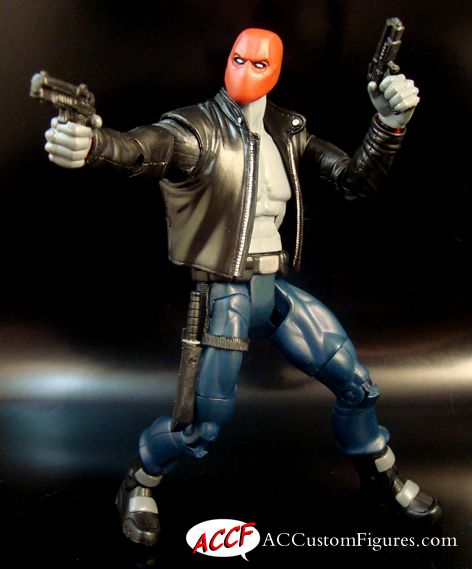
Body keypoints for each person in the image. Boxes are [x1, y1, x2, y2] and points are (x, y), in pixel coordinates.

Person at [43, 28, 441, 546]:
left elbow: (353, 180)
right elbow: (142, 149)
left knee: (357, 385)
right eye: (237, 58)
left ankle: (379, 478)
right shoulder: (196, 129)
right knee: (201, 425)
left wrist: (389, 123)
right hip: (224, 295)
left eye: (259, 64)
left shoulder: (288, 130)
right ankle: (138, 483)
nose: (244, 71)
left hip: (273, 290)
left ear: (276, 73)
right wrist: (94, 144)